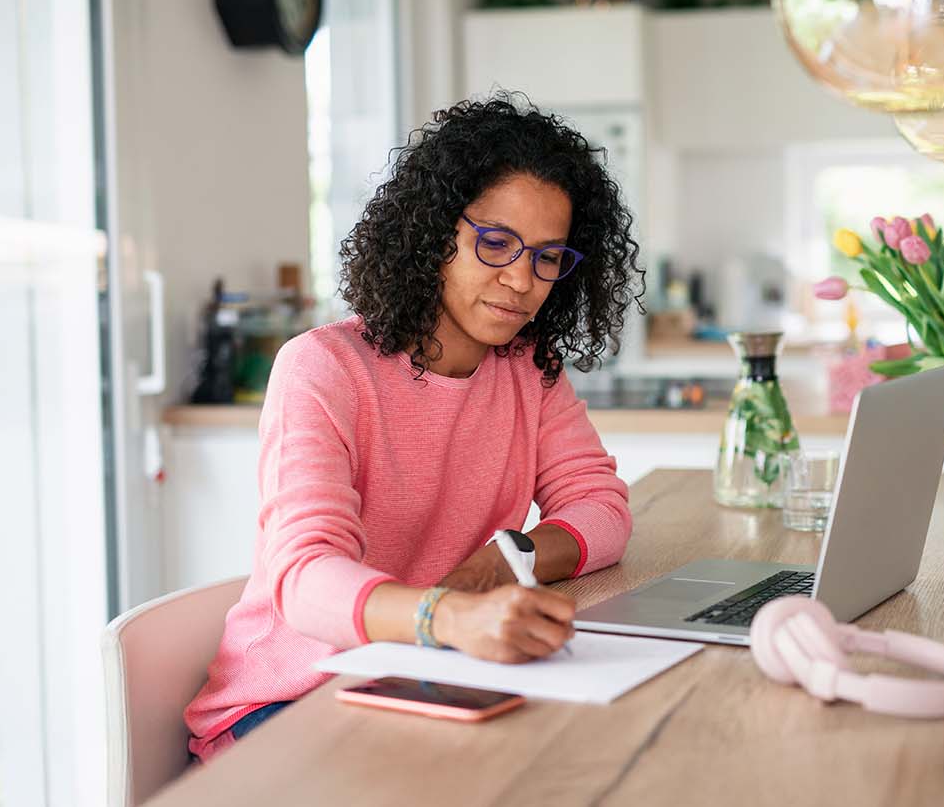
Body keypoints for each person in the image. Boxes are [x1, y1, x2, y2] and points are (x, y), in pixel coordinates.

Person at [184, 95, 645, 760]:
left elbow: (602, 509)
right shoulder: (324, 368)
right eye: (495, 243)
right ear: (433, 234)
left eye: (548, 257)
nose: (521, 280)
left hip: (424, 676)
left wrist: (507, 558)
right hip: (287, 705)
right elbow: (305, 576)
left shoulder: (529, 371)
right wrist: (447, 616)